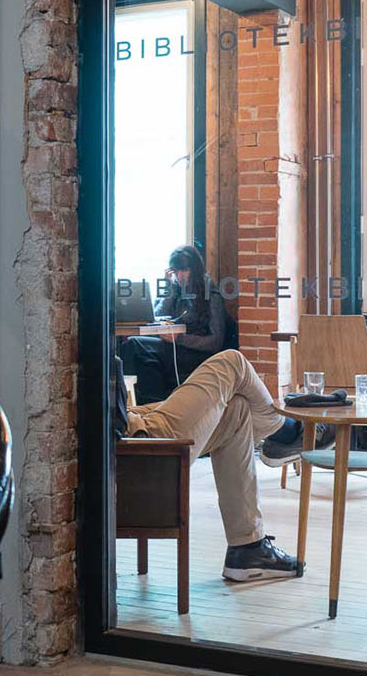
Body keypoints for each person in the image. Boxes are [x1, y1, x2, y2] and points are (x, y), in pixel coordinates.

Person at [124, 348, 303, 582]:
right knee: (232, 362)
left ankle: (248, 547)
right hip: (137, 436)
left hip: (128, 419)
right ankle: (290, 434)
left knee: (237, 408)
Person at [121, 244, 233, 405]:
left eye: (184, 270)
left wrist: (180, 338)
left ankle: (133, 405)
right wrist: (168, 288)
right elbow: (157, 315)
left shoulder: (211, 294)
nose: (180, 276)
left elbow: (215, 341)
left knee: (135, 345)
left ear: (195, 269)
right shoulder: (178, 290)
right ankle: (150, 404)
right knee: (138, 352)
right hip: (176, 348)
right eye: (176, 271)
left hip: (194, 352)